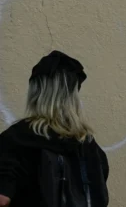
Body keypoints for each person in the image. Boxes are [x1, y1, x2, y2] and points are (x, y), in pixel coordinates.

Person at [0, 50, 109, 206]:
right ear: (73, 97)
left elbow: (2, 199)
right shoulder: (90, 146)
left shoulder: (16, 139)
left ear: (35, 93)